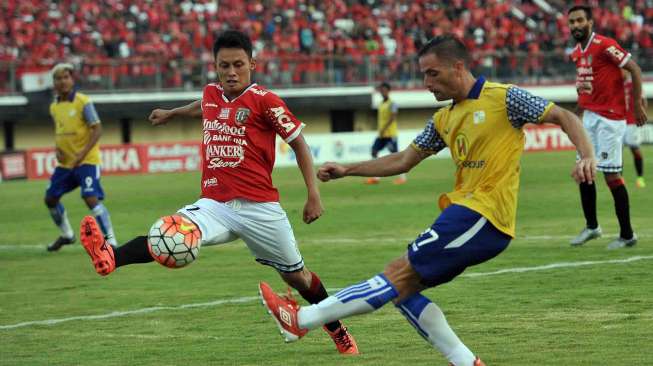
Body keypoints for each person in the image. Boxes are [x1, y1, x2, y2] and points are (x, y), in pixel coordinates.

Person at [259, 34, 595, 366]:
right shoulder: (443, 119)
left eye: (432, 73)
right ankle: (465, 361)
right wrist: (349, 169)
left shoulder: (504, 98)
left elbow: (563, 117)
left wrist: (585, 155)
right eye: (423, 74)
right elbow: (404, 159)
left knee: (397, 276)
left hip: (483, 214)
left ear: (458, 67)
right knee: (402, 289)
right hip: (465, 214)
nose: (426, 82)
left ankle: (301, 319)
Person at [79, 30, 358, 355]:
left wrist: (313, 193)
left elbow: (298, 142)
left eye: (238, 64)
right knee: (173, 233)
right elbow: (204, 105)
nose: (231, 72)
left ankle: (337, 330)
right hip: (214, 204)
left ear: (252, 64)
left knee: (297, 277)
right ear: (214, 66)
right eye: (223, 65)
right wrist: (173, 113)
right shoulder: (212, 92)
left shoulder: (265, 101)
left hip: (260, 208)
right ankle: (110, 256)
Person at [567, 5, 647, 249]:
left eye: (580, 20)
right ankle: (592, 227)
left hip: (610, 118)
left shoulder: (605, 44)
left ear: (590, 22)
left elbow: (634, 68)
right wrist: (576, 115)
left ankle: (627, 234)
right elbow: (585, 87)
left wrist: (637, 104)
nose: (575, 25)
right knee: (583, 171)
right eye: (572, 22)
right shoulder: (577, 53)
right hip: (589, 117)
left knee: (611, 174)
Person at [45, 63, 117, 252]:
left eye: (66, 77)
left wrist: (81, 154)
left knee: (90, 198)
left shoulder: (83, 101)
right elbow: (61, 130)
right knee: (50, 199)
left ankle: (111, 241)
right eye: (59, 78)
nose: (63, 81)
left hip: (86, 161)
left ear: (72, 79)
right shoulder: (54, 106)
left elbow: (97, 129)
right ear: (54, 83)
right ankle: (67, 235)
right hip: (66, 164)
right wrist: (57, 149)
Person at [365, 82, 407, 185]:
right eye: (380, 90)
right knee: (374, 151)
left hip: (390, 134)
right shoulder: (381, 103)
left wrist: (384, 128)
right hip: (381, 134)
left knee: (395, 156)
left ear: (388, 91)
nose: (382, 92)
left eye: (383, 90)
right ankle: (375, 178)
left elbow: (393, 117)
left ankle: (402, 177)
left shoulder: (392, 103)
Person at [623, 71, 647, 188]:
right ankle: (619, 180)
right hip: (618, 122)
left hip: (632, 122)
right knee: (616, 152)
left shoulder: (634, 84)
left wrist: (642, 114)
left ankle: (640, 177)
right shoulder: (615, 85)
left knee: (634, 149)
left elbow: (643, 101)